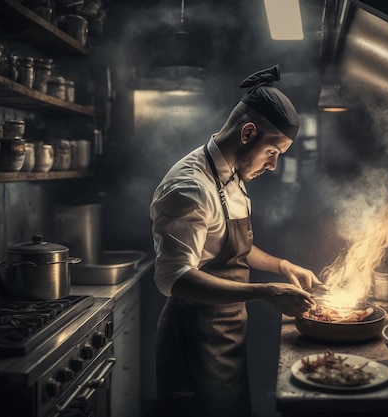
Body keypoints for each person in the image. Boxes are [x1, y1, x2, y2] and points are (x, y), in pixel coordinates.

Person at [149, 64, 325, 417]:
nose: (273, 165)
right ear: (248, 133)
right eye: (273, 152)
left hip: (227, 336)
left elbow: (231, 247)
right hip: (195, 342)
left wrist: (281, 266)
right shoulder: (190, 186)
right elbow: (174, 278)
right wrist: (266, 291)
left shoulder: (232, 174)